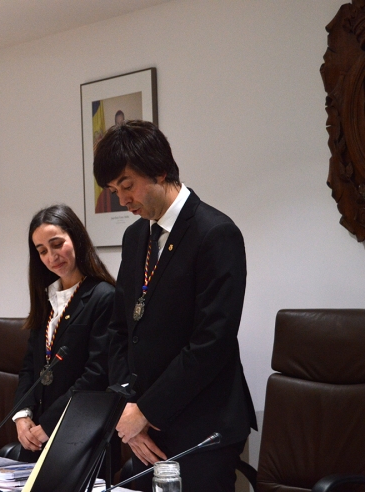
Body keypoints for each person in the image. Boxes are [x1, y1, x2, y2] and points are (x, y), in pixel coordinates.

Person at [93, 121, 257, 492]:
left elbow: (210, 343)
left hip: (201, 428)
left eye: (127, 185)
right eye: (113, 190)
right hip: (142, 426)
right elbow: (120, 330)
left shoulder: (215, 233)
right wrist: (126, 409)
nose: (122, 200)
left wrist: (146, 411)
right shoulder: (135, 237)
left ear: (160, 170)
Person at [13, 204, 115, 462]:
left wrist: (49, 423)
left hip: (77, 435)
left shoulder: (103, 296)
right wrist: (22, 414)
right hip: (37, 436)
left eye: (57, 244)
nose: (51, 256)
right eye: (42, 251)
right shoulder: (46, 297)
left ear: (77, 239)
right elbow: (30, 365)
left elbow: (96, 374)